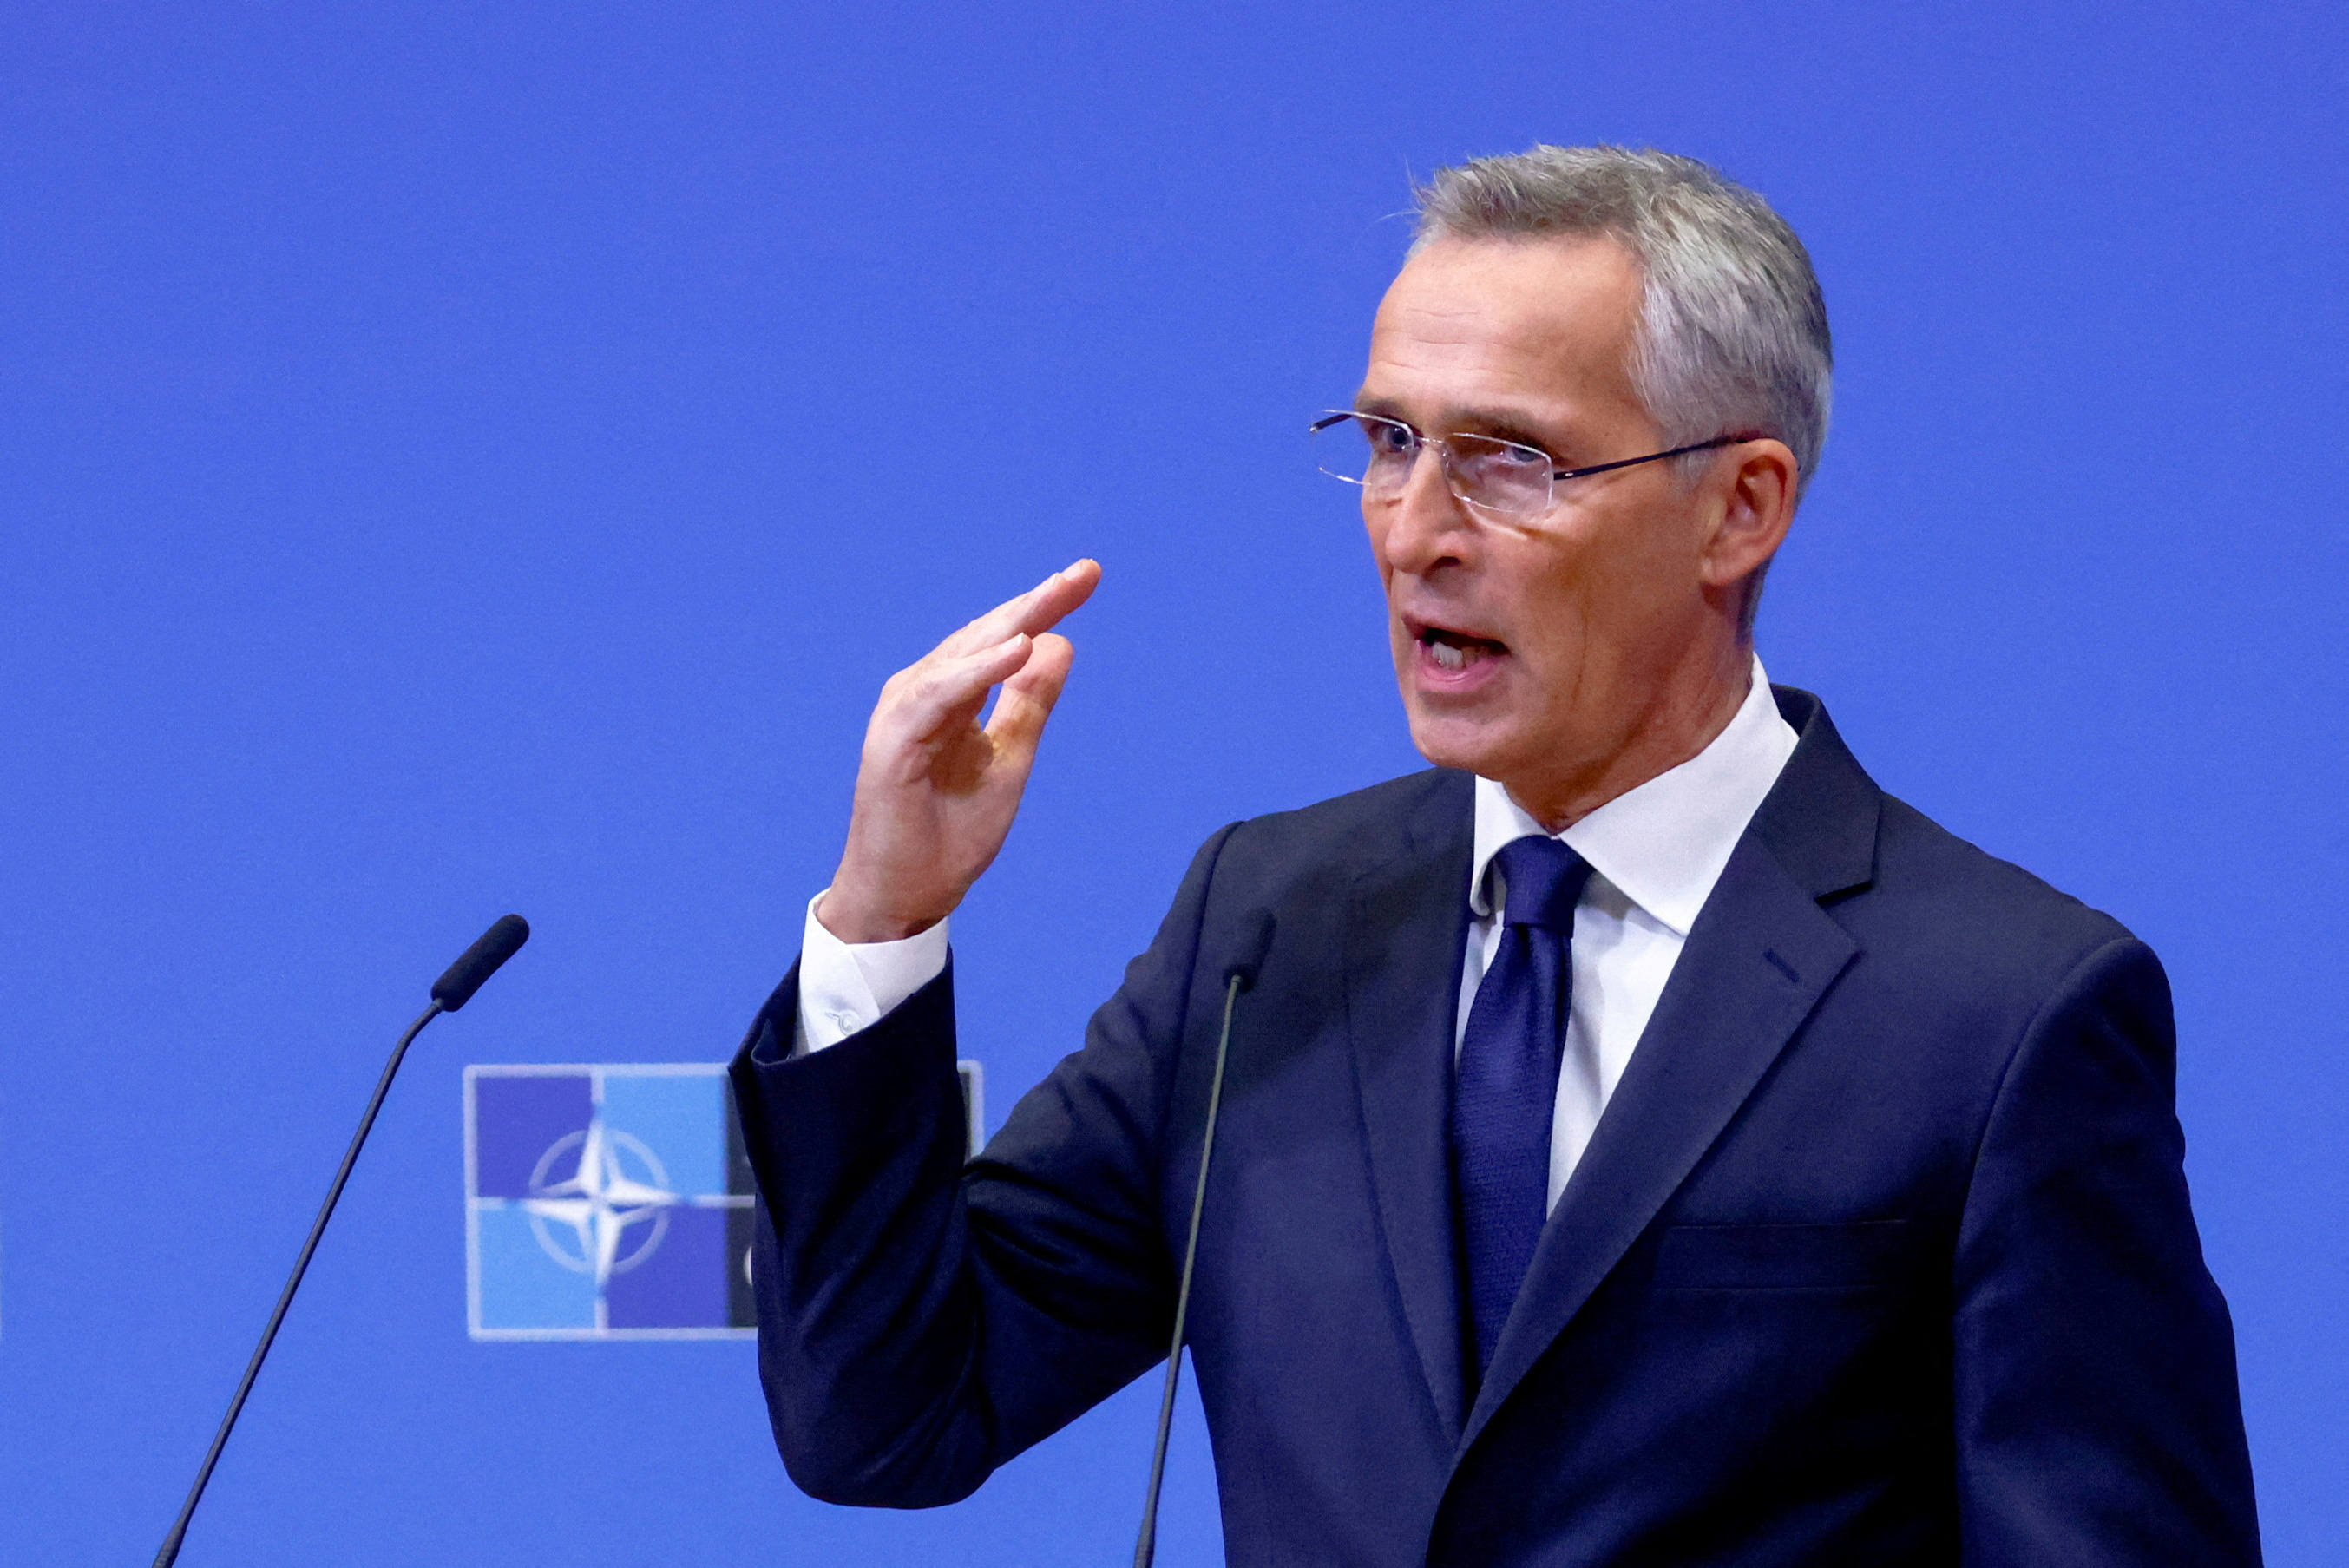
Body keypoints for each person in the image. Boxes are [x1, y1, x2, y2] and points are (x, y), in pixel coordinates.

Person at [728, 146, 2260, 1565]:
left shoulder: (2002, 1012)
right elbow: (890, 1419)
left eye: (1512, 459)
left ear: (1741, 507)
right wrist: (885, 923)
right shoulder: (1263, 926)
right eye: (1390, 441)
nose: (1414, 531)